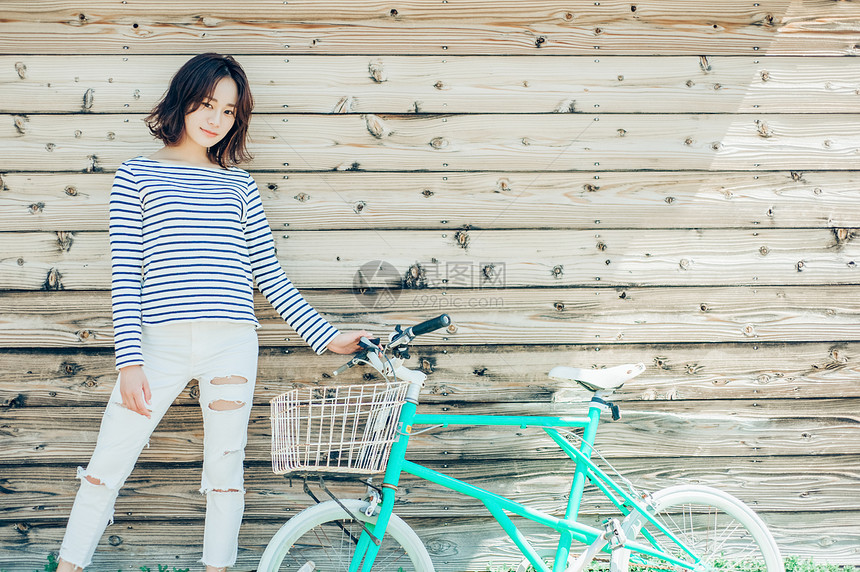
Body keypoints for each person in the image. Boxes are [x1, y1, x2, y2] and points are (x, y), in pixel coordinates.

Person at [56, 53, 371, 571]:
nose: (215, 119)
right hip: (157, 345)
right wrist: (128, 362)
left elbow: (268, 275)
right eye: (206, 104)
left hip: (231, 345)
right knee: (105, 466)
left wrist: (328, 336)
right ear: (183, 101)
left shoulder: (239, 185)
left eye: (228, 111)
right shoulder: (137, 174)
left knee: (226, 475)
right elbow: (126, 275)